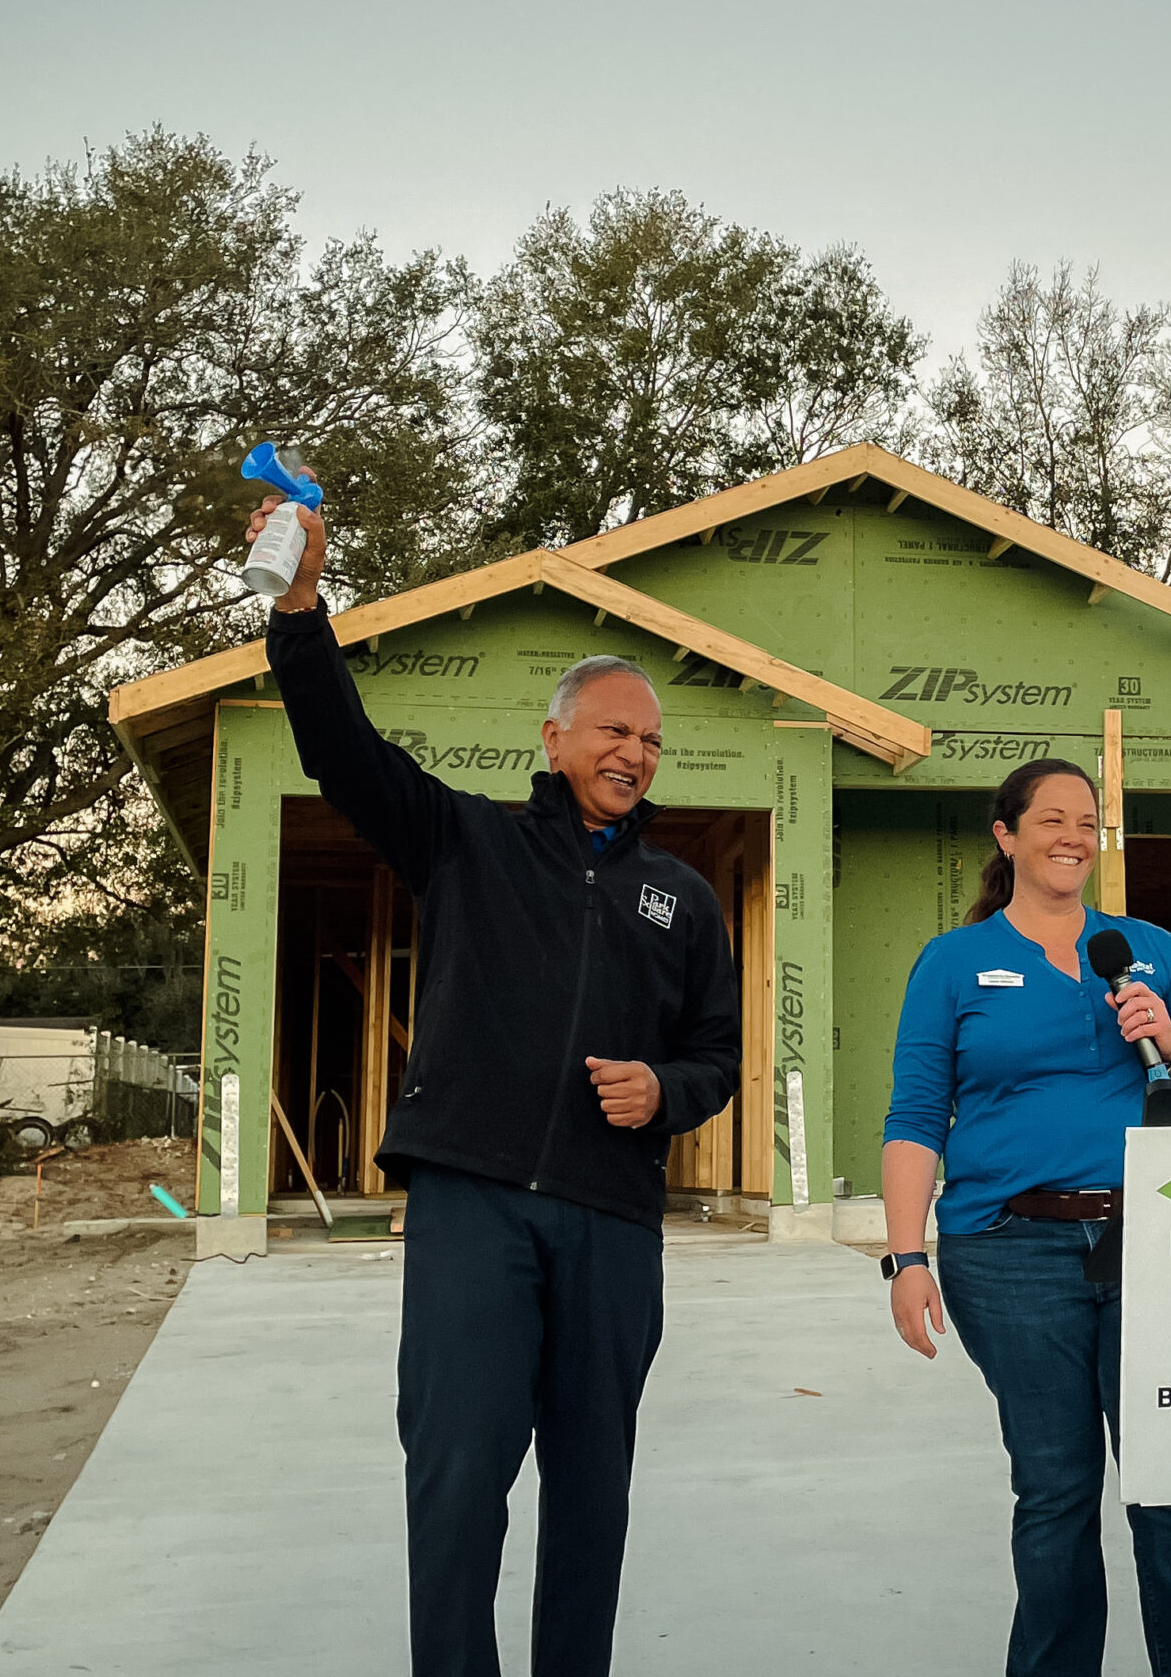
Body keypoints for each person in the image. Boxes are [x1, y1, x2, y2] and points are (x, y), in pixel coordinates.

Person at [248, 484, 742, 1677]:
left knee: (592, 1493)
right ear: (556, 738)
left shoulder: (682, 898)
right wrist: (303, 608)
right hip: (473, 1204)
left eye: (652, 740)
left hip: (614, 1224)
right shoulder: (466, 842)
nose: (634, 753)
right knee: (459, 1474)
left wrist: (663, 1096)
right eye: (614, 731)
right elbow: (343, 754)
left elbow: (717, 1057)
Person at [881, 758, 1171, 1677]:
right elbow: (916, 1118)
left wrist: (1167, 1037)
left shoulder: (1147, 949)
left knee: (1170, 1489)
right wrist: (904, 1257)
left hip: (1154, 1242)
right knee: (1054, 1490)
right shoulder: (953, 962)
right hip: (1008, 1251)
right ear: (1006, 837)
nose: (1073, 838)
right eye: (1051, 820)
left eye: (1088, 822)